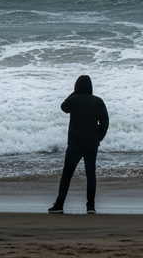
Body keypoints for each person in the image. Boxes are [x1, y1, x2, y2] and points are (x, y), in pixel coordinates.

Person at [48, 75, 110, 214]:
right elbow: (105, 122)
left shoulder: (73, 100)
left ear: (77, 87)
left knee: (67, 174)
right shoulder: (98, 101)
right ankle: (91, 206)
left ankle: (59, 205)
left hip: (75, 143)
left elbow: (63, 107)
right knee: (90, 174)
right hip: (91, 143)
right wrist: (98, 137)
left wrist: (73, 93)